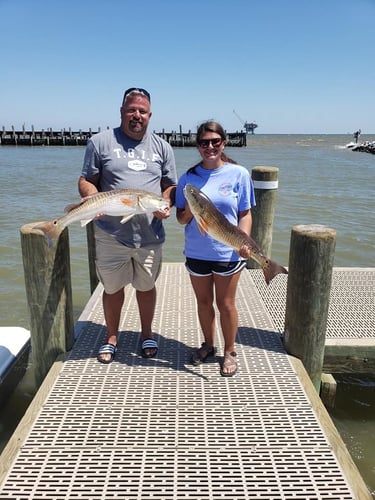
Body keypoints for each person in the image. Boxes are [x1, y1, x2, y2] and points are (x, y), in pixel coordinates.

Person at [79, 87, 177, 363]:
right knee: (112, 289)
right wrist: (90, 197)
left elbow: (170, 185)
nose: (137, 115)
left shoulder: (162, 147)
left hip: (150, 235)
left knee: (146, 287)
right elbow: (87, 179)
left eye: (142, 111)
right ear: (122, 111)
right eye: (131, 110)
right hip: (111, 234)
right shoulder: (100, 142)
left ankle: (147, 333)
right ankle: (111, 336)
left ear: (150, 115)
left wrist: (165, 203)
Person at [175, 121, 256, 377]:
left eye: (215, 141)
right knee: (203, 303)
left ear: (224, 143)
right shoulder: (187, 178)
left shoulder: (239, 174)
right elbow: (180, 219)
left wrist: (245, 242)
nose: (209, 146)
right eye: (204, 142)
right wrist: (190, 208)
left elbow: (245, 213)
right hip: (197, 251)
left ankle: (229, 350)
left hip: (228, 252)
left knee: (226, 304)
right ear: (197, 146)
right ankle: (208, 345)